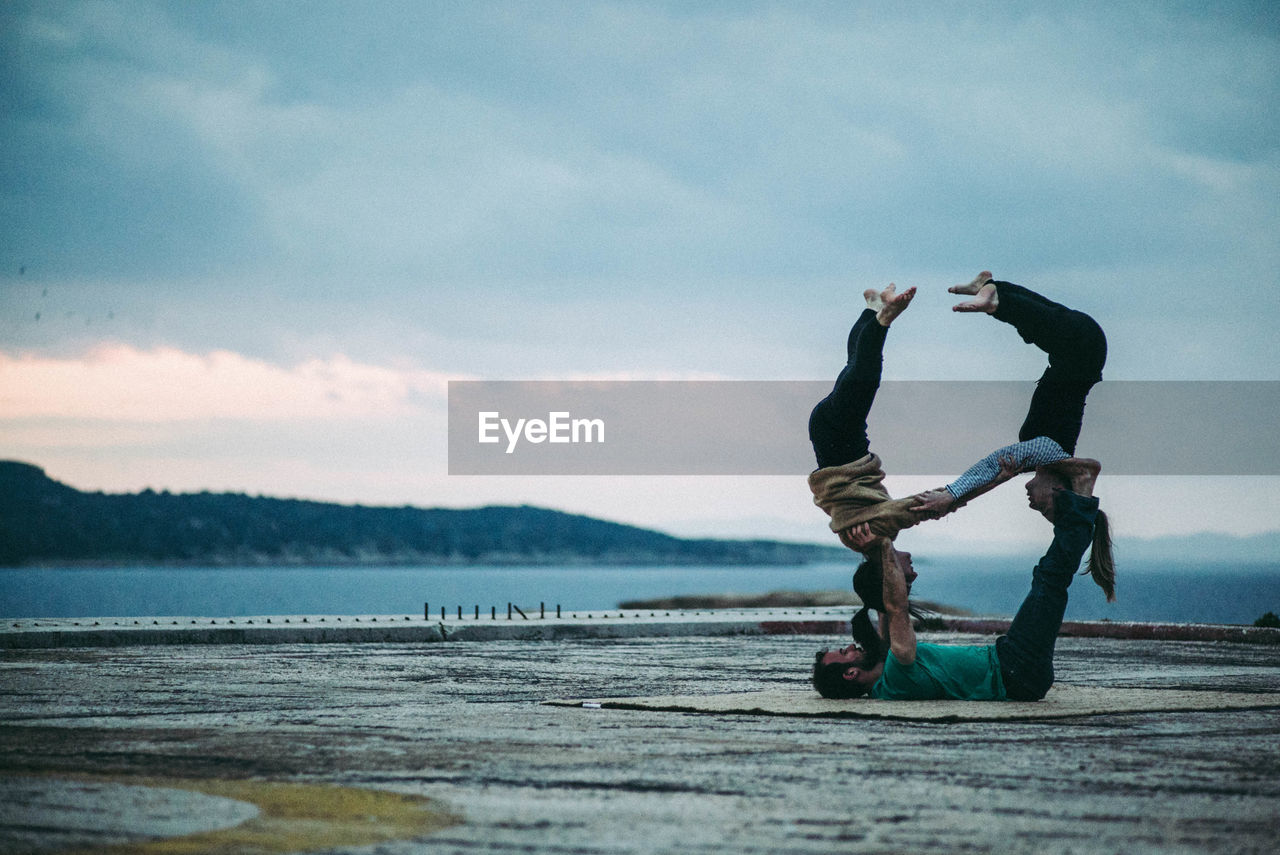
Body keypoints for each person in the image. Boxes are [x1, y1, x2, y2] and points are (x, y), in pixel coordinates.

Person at [813, 457, 1102, 701]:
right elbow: (896, 606)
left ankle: (1077, 504)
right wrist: (882, 544)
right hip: (1016, 671)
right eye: (843, 652)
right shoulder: (898, 669)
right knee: (1049, 579)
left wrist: (875, 555)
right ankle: (1081, 498)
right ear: (850, 673)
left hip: (1010, 662)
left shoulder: (889, 666)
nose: (850, 646)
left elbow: (886, 605)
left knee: (1049, 578)